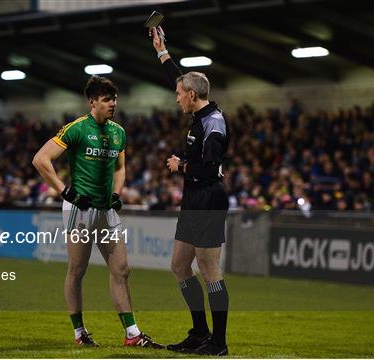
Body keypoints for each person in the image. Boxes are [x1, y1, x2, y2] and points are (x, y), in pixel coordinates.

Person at [32, 76, 163, 349]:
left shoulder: (119, 132)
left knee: (122, 269)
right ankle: (80, 332)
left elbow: (120, 168)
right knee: (77, 270)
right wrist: (63, 190)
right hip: (80, 209)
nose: (112, 104)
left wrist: (117, 193)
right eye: (106, 100)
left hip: (106, 210)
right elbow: (40, 159)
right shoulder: (77, 129)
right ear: (92, 103)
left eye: (114, 99)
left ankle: (132, 333)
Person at [149, 26, 230, 356]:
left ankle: (219, 343)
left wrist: (180, 165)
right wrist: (161, 51)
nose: (177, 97)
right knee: (180, 266)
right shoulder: (200, 112)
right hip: (194, 198)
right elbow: (181, 79)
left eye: (180, 94)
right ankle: (199, 333)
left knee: (209, 271)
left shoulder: (214, 124)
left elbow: (211, 170)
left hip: (209, 198)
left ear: (192, 96)